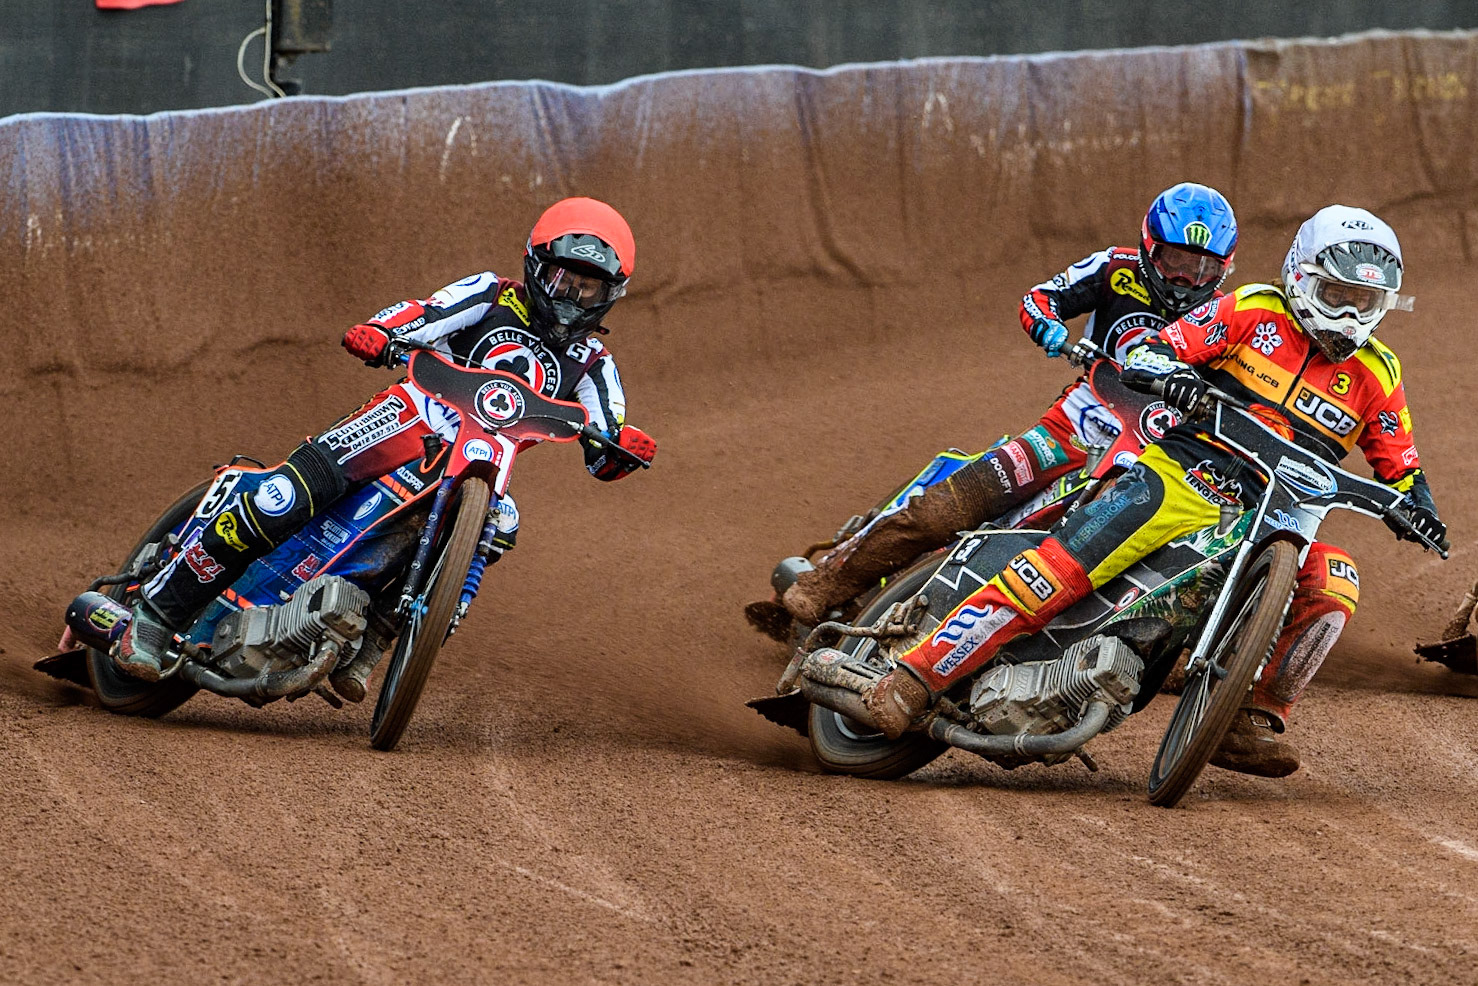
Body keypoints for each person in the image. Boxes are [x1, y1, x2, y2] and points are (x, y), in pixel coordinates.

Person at [852, 205, 1445, 777]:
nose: (1347, 315)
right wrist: (1170, 373)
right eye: (1337, 296)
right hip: (1184, 475)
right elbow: (1157, 346)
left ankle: (1248, 717)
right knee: (1057, 571)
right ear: (1301, 277)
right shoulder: (1253, 311)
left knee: (1335, 583)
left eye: (1362, 302)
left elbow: (1403, 469)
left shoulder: (1378, 375)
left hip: (1278, 518)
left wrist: (1419, 509)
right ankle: (917, 675)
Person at [112, 197, 658, 701]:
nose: (572, 296)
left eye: (589, 287)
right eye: (564, 278)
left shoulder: (594, 364)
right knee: (282, 496)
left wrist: (622, 449)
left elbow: (608, 436)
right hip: (400, 422)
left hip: (481, 466)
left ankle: (376, 638)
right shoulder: (491, 294)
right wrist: (381, 331)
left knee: (502, 524)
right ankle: (156, 615)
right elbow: (425, 314)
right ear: (536, 267)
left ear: (611, 293)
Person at [777, 182, 1239, 627]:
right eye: (1176, 261)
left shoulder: (1224, 316)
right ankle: (821, 589)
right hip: (1075, 424)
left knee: (1112, 559)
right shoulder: (1114, 268)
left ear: (1224, 269)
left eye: (1203, 268)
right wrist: (1052, 331)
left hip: (1148, 455)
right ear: (1149, 247)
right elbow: (1040, 299)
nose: (1186, 280)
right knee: (951, 507)